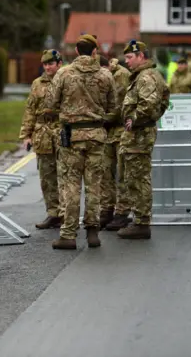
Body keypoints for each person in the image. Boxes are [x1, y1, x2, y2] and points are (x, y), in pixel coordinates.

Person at [45, 34, 115, 250]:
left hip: (72, 137)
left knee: (70, 186)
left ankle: (68, 235)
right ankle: (93, 231)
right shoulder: (105, 75)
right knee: (94, 185)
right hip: (96, 135)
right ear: (95, 52)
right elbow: (113, 107)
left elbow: (50, 103)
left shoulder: (64, 74)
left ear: (76, 51)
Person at [105, 40, 170, 239]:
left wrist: (134, 119)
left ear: (141, 56)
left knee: (138, 179)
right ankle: (139, 219)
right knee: (134, 177)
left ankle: (142, 223)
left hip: (140, 135)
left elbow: (149, 104)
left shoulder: (146, 77)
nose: (128, 62)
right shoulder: (144, 76)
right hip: (138, 134)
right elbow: (163, 101)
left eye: (130, 58)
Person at [19, 49, 64, 229]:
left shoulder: (67, 79)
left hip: (61, 131)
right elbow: (30, 109)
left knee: (65, 176)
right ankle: (53, 213)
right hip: (43, 133)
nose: (47, 67)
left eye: (50, 64)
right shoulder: (37, 84)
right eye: (45, 64)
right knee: (47, 176)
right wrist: (26, 135)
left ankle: (66, 213)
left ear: (59, 64)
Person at [98, 58, 132, 228]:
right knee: (105, 173)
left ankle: (122, 211)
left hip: (120, 131)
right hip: (106, 132)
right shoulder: (100, 77)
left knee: (122, 172)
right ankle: (106, 209)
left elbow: (120, 106)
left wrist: (100, 119)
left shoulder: (121, 75)